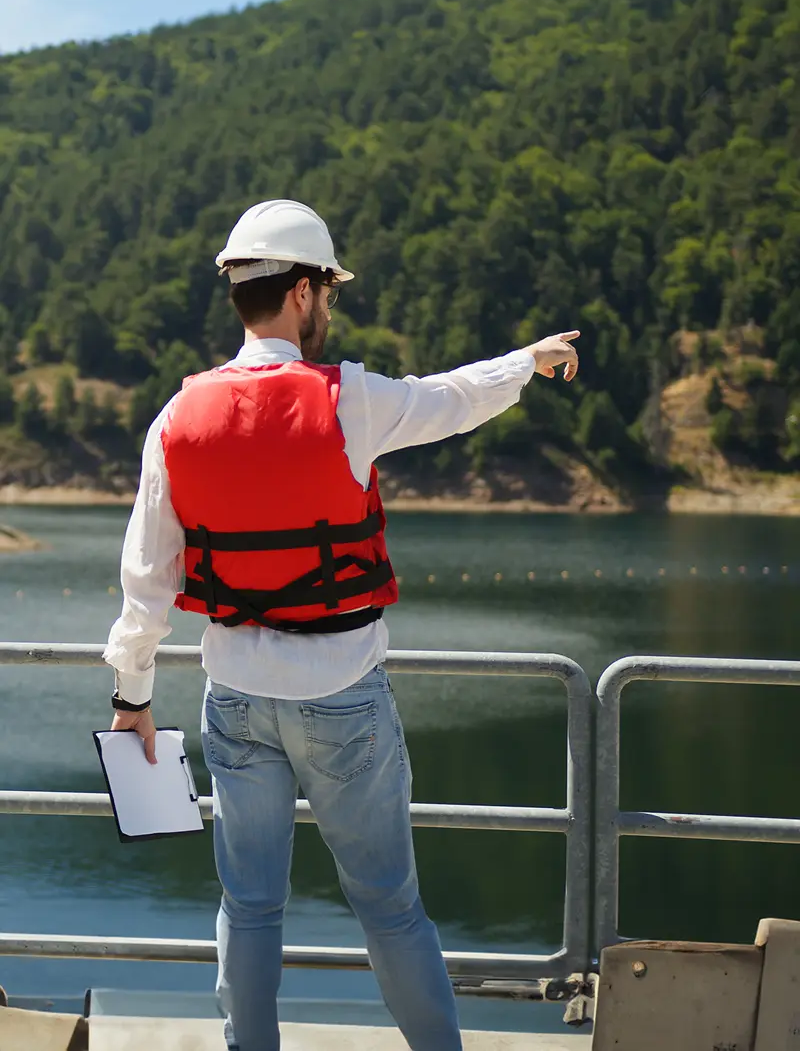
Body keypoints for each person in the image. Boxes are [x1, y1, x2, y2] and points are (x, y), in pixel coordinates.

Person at [103, 198, 580, 1051]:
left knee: (249, 906)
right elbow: (449, 399)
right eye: (328, 291)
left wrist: (132, 699)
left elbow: (145, 583)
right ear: (301, 293)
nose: (330, 306)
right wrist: (527, 361)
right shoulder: (348, 399)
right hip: (343, 697)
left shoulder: (175, 419)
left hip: (234, 699)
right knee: (389, 906)